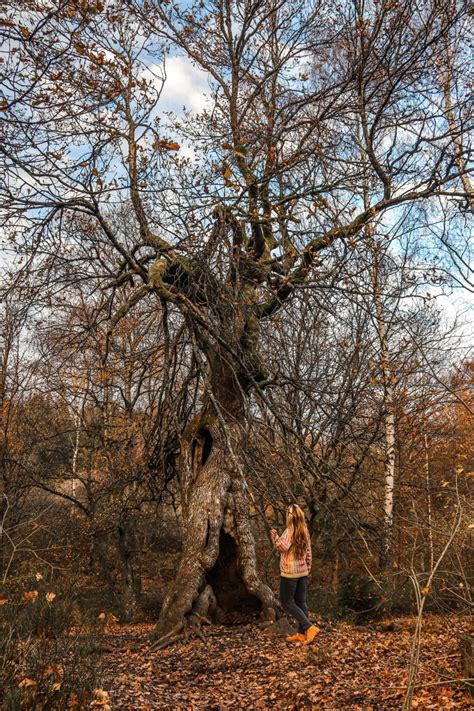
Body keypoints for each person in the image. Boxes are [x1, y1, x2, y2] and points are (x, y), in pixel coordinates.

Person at [271, 504, 319, 644]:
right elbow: (309, 551)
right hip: (302, 572)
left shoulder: (289, 531)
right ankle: (301, 633)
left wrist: (275, 537)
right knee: (301, 602)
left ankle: (309, 627)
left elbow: (282, 547)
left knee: (287, 603)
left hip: (290, 573)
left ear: (290, 517)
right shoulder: (305, 530)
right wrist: (308, 567)